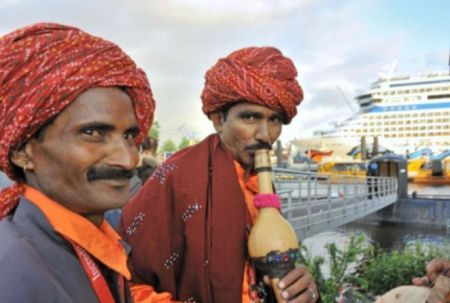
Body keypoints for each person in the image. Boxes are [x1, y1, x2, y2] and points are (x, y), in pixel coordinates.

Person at [121, 47, 319, 302]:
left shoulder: (259, 183)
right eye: (249, 117)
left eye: (275, 120)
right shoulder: (177, 176)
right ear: (218, 119)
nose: (265, 135)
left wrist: (302, 287)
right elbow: (126, 283)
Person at [0, 23, 155, 302]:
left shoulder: (89, 239)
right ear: (23, 152)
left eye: (130, 136)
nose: (128, 158)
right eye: (94, 133)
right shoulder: (15, 274)